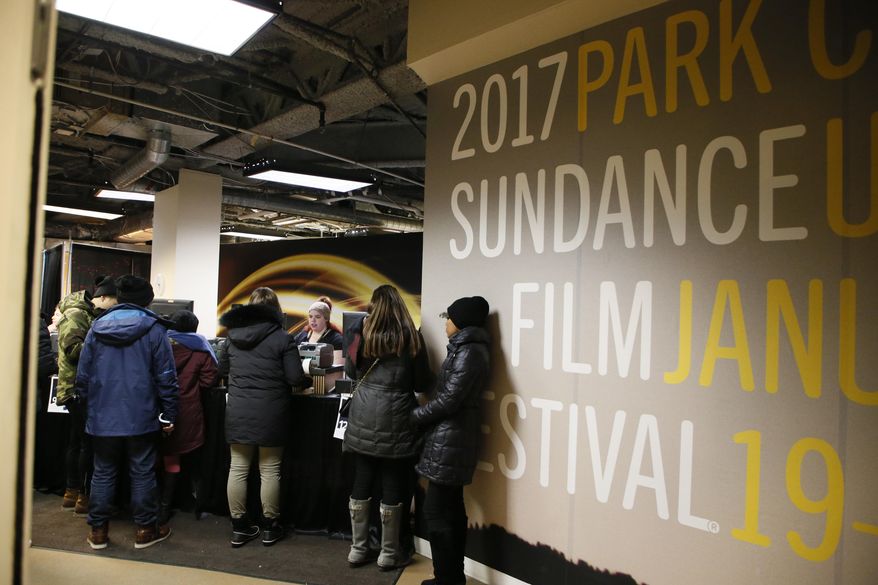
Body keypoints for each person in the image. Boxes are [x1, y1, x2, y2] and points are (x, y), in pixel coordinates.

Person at [75, 275, 179, 550]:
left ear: (119, 298)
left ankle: (98, 531)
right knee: (142, 472)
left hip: (102, 416)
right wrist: (169, 414)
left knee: (103, 472)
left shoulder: (96, 327)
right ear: (147, 300)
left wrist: (88, 410)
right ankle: (145, 530)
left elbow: (82, 377)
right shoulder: (155, 330)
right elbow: (166, 377)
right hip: (141, 415)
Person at [343, 284, 433, 570]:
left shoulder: (360, 332)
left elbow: (350, 371)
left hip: (363, 416)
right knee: (393, 483)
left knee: (362, 479)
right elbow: (421, 383)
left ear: (373, 305)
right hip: (397, 419)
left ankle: (358, 549)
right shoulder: (412, 338)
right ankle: (389, 553)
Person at [218, 286, 307, 548]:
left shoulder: (232, 337)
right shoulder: (283, 338)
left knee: (238, 468)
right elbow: (294, 379)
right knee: (269, 470)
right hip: (271, 412)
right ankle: (270, 528)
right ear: (276, 310)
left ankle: (239, 528)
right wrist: (306, 380)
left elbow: (221, 370)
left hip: (238, 411)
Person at [412, 296, 491, 585]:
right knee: (452, 510)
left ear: (461, 322)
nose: (445, 323)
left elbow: (448, 401)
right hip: (451, 438)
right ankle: (452, 577)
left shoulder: (469, 352)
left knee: (436, 513)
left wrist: (416, 416)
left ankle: (446, 578)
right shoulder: (466, 349)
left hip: (451, 439)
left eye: (449, 317)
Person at [160, 310, 219, 524]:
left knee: (168, 458)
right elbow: (208, 380)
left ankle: (164, 507)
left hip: (161, 412)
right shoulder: (201, 350)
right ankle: (197, 505)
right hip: (189, 411)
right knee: (194, 460)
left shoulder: (159, 346)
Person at [55, 283, 99, 515]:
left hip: (76, 387)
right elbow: (73, 349)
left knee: (76, 442)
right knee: (85, 444)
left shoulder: (81, 313)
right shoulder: (76, 315)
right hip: (76, 388)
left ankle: (72, 493)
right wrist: (101, 345)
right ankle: (81, 494)